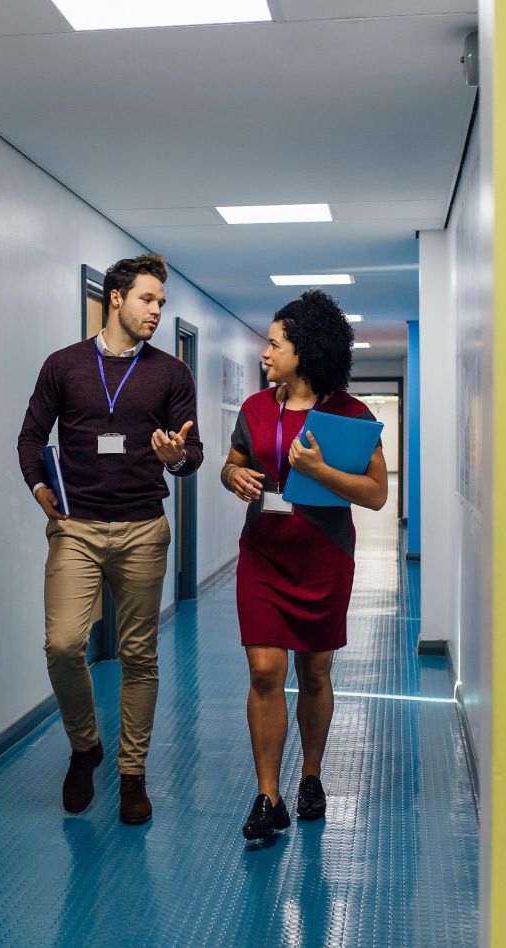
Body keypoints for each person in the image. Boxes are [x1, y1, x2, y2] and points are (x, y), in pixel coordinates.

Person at [18, 253, 203, 825]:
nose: (156, 311)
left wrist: (177, 459)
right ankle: (84, 747)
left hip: (143, 529)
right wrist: (38, 485)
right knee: (64, 645)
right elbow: (30, 436)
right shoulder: (64, 365)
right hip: (75, 529)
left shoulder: (172, 373)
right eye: (148, 299)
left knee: (137, 655)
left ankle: (131, 773)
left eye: (162, 304)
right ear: (115, 298)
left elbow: (192, 453)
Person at [221, 289, 387, 840]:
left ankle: (310, 776)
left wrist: (320, 471)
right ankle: (268, 795)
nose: (265, 352)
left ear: (305, 350)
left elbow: (376, 494)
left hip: (323, 556)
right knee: (264, 670)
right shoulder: (254, 409)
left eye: (274, 344)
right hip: (264, 553)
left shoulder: (350, 414)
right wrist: (234, 477)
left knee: (313, 671)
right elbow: (233, 463)